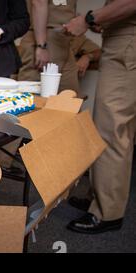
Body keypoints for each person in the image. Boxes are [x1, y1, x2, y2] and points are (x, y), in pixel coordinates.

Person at [63, 0, 136, 234]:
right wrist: (105, 21)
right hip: (118, 41)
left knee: (113, 130)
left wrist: (89, 19)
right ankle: (98, 196)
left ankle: (108, 212)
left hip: (127, 44)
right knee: (105, 126)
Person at [17, 0, 80, 93]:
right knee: (33, 95)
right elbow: (39, 2)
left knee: (69, 97)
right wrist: (41, 45)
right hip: (45, 37)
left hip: (64, 39)